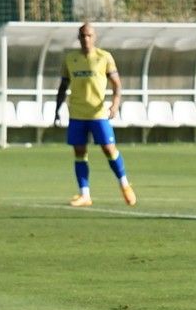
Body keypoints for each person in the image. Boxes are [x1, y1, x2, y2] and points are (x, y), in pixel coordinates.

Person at [54, 22, 136, 208]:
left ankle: (124, 184)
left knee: (109, 149)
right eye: (83, 36)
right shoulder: (70, 59)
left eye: (89, 36)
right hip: (77, 113)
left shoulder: (104, 57)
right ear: (78, 38)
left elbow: (116, 84)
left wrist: (115, 105)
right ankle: (85, 195)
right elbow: (63, 85)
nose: (86, 39)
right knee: (79, 153)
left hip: (98, 114)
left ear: (94, 37)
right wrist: (57, 109)